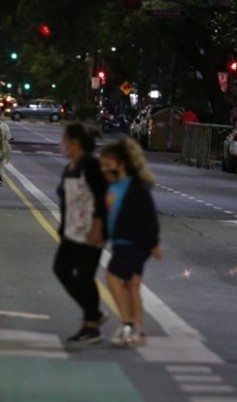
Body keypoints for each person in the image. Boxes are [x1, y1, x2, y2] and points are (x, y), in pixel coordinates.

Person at [99, 137, 163, 347]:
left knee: (112, 276)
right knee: (132, 285)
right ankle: (139, 331)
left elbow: (149, 216)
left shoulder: (136, 187)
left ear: (122, 163)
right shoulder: (113, 186)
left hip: (134, 242)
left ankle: (128, 324)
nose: (104, 166)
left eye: (108, 162)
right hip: (121, 241)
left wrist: (153, 243)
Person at [53, 122, 108, 344]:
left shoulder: (90, 165)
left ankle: (91, 325)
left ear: (74, 142)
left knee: (86, 276)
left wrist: (98, 229)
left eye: (64, 140)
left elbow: (103, 199)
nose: (61, 144)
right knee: (61, 269)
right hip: (72, 231)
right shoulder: (71, 165)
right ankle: (93, 314)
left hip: (90, 231)